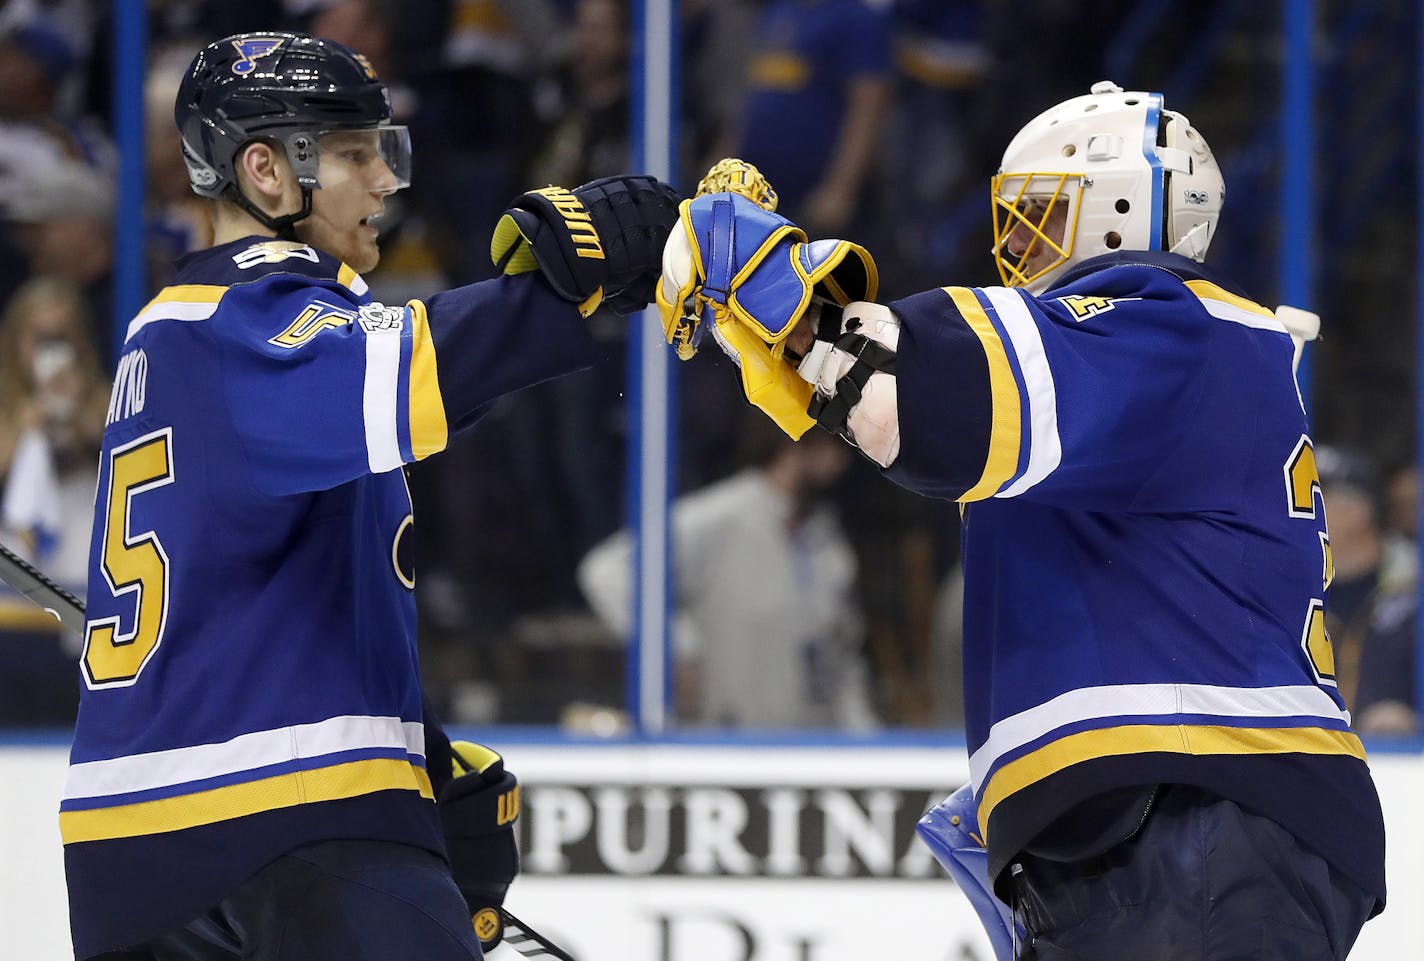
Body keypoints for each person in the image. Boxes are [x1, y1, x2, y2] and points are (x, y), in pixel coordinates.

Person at [659, 84, 1385, 959]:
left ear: (1126, 211)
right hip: (1182, 820)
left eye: (1044, 213)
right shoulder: (1156, 368)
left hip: (1197, 810)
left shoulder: (1164, 325)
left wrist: (774, 285)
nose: (1018, 244)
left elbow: (907, 400)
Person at [63, 32, 677, 961]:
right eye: (355, 154)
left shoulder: (187, 336)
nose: (386, 180)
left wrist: (407, 752)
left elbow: (259, 596)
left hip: (134, 862)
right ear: (266, 171)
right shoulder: (248, 318)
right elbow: (413, 369)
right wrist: (570, 285)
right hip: (278, 817)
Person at [578, 414, 876, 729]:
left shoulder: (825, 539)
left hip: (806, 752)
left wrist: (866, 748)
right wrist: (678, 644)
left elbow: (842, 663)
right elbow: (607, 573)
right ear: (794, 440)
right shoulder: (724, 516)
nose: (842, 461)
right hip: (726, 753)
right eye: (834, 443)